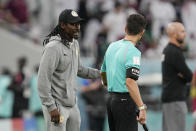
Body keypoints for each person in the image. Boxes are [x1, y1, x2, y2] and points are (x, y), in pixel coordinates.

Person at [37, 9, 100, 131]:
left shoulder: (75, 44)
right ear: (62, 25)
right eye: (73, 24)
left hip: (72, 105)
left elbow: (79, 69)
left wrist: (100, 73)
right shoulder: (53, 48)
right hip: (57, 106)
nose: (77, 27)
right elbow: (42, 81)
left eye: (78, 24)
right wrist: (51, 107)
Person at [100, 13, 147, 131]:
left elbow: (103, 72)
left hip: (111, 100)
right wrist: (141, 107)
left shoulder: (112, 46)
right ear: (142, 32)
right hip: (124, 101)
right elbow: (130, 81)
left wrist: (110, 85)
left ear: (125, 29)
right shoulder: (133, 52)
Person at [161, 22, 193, 131]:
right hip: (175, 100)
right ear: (174, 34)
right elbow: (189, 76)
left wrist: (182, 75)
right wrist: (184, 76)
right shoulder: (175, 52)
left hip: (169, 98)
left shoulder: (167, 50)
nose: (185, 34)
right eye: (182, 31)